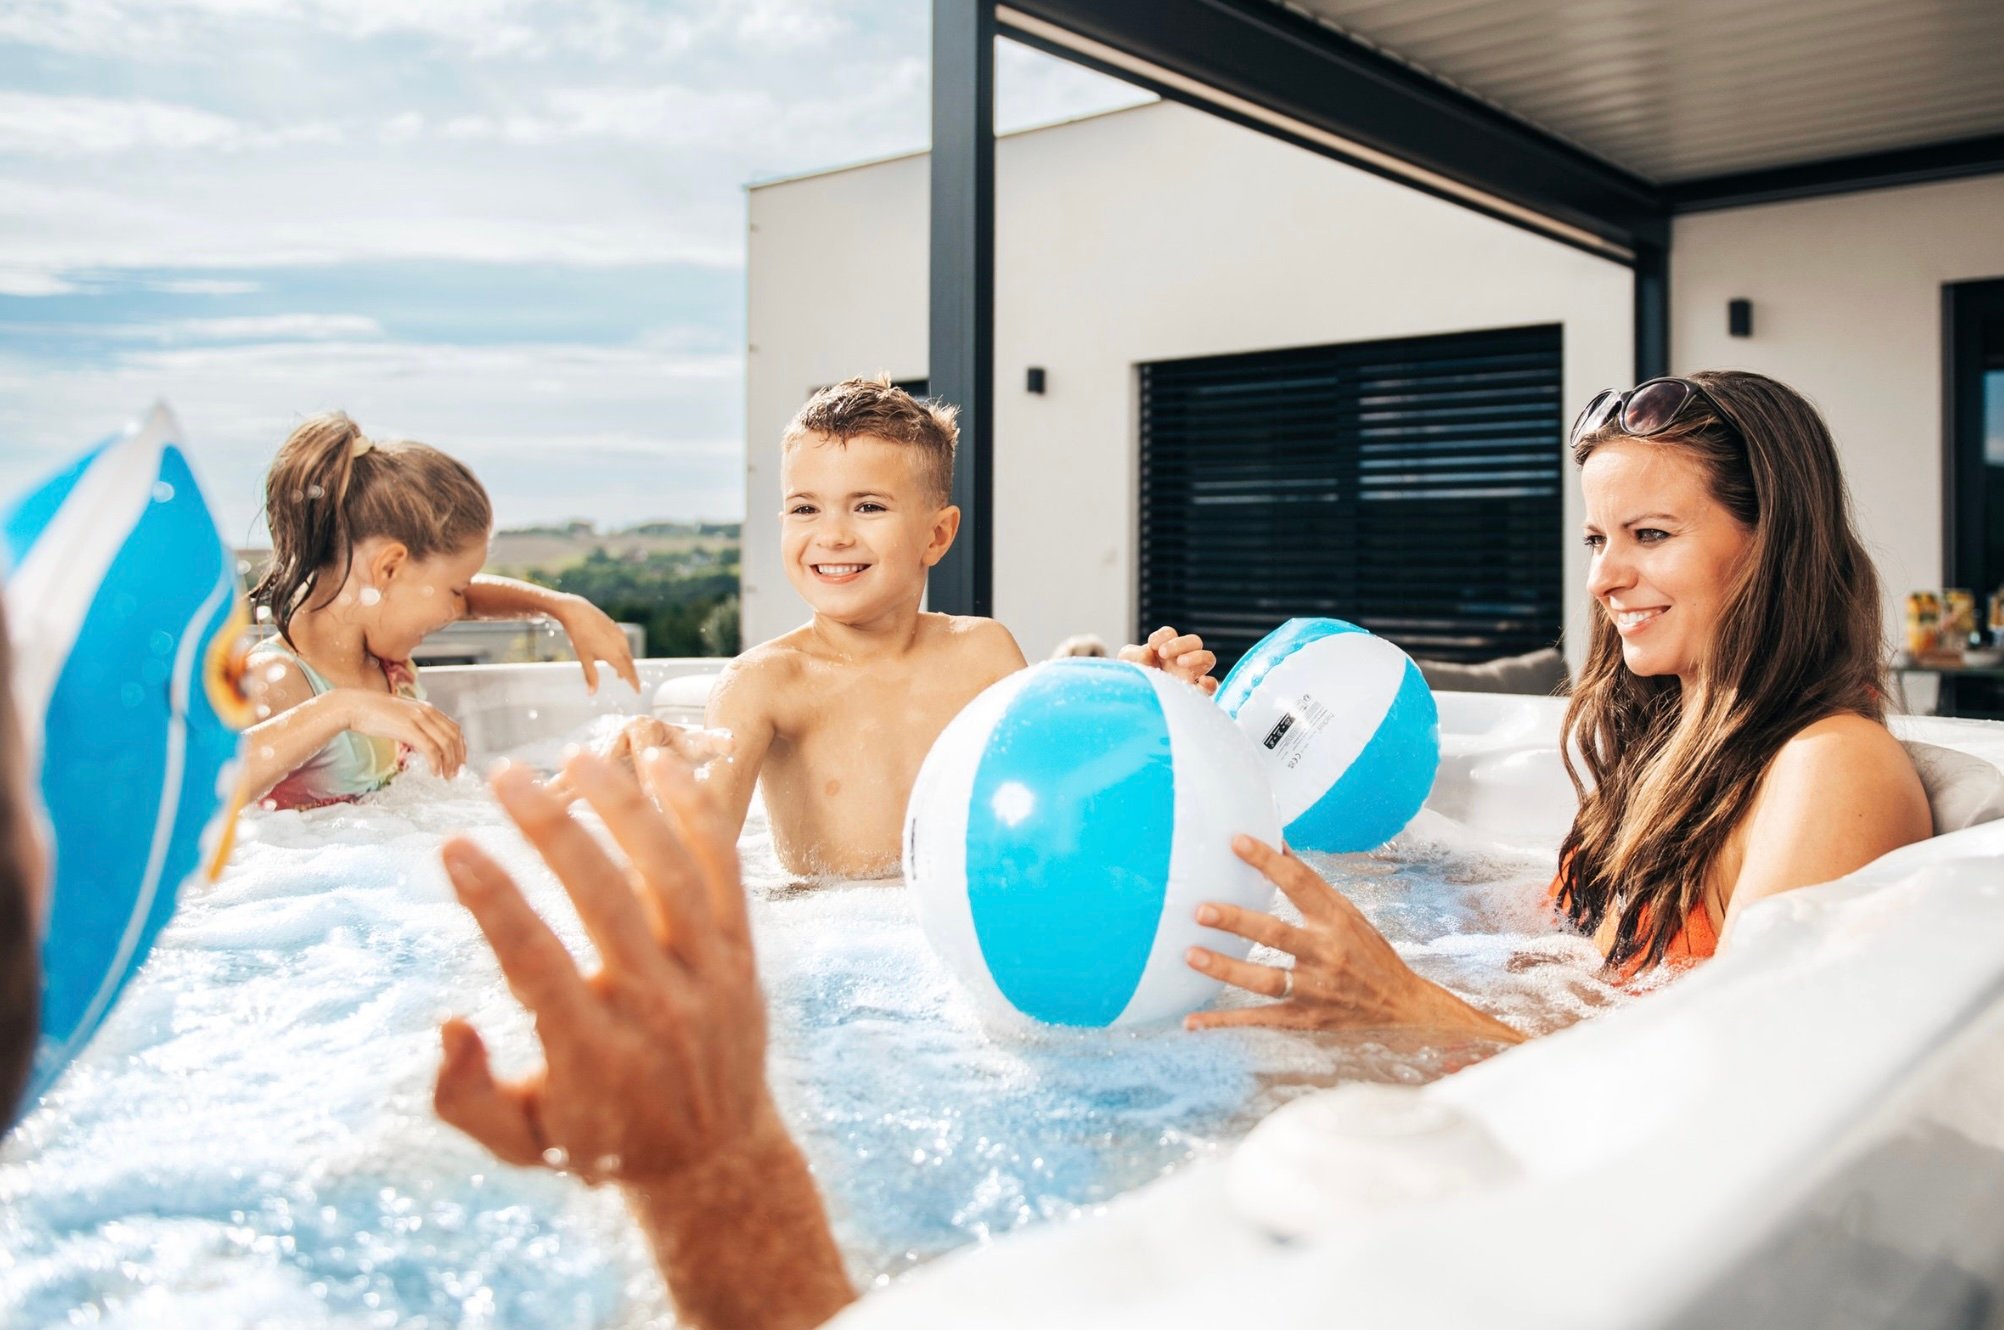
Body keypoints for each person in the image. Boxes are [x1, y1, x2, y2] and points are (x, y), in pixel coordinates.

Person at [1177, 370, 1932, 1038]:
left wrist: (1404, 1008)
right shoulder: (1667, 749)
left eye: (1651, 534)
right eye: (1598, 539)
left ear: (1775, 545)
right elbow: (1537, 947)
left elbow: (1736, 1091)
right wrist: (1190, 744)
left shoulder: (1831, 767)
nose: (1604, 578)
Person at [576, 377, 1214, 878]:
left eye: (868, 506)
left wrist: (1142, 703)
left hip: (964, 926)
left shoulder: (982, 652)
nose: (832, 534)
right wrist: (650, 790)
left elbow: (1058, 789)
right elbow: (697, 862)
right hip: (835, 943)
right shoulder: (765, 682)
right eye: (805, 508)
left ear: (937, 535)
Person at [239, 412, 639, 810]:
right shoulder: (278, 679)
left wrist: (561, 606)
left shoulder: (384, 664)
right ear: (389, 568)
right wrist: (342, 709)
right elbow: (210, 784)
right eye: (455, 589)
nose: (456, 609)